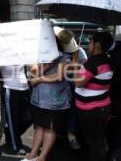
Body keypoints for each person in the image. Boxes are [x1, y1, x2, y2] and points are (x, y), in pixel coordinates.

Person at [22, 37, 72, 161]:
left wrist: (39, 79)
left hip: (55, 101)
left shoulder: (65, 58)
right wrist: (47, 65)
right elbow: (32, 74)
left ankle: (42, 156)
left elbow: (59, 76)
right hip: (38, 100)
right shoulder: (39, 57)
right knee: (38, 126)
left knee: (50, 128)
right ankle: (33, 153)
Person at [73, 31, 114, 161]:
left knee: (94, 143)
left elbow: (79, 82)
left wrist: (74, 66)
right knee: (98, 139)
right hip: (102, 107)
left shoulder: (94, 62)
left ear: (97, 45)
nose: (89, 44)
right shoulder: (106, 59)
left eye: (91, 41)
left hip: (91, 110)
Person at [54, 26, 87, 150]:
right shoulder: (57, 52)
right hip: (58, 84)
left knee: (74, 101)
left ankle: (71, 134)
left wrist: (74, 66)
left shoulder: (80, 53)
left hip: (73, 84)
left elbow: (84, 71)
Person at [0, 65, 32, 155]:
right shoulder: (1, 54)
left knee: (29, 117)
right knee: (13, 120)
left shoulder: (22, 52)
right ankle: (16, 145)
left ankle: (10, 133)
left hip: (25, 88)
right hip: (10, 88)